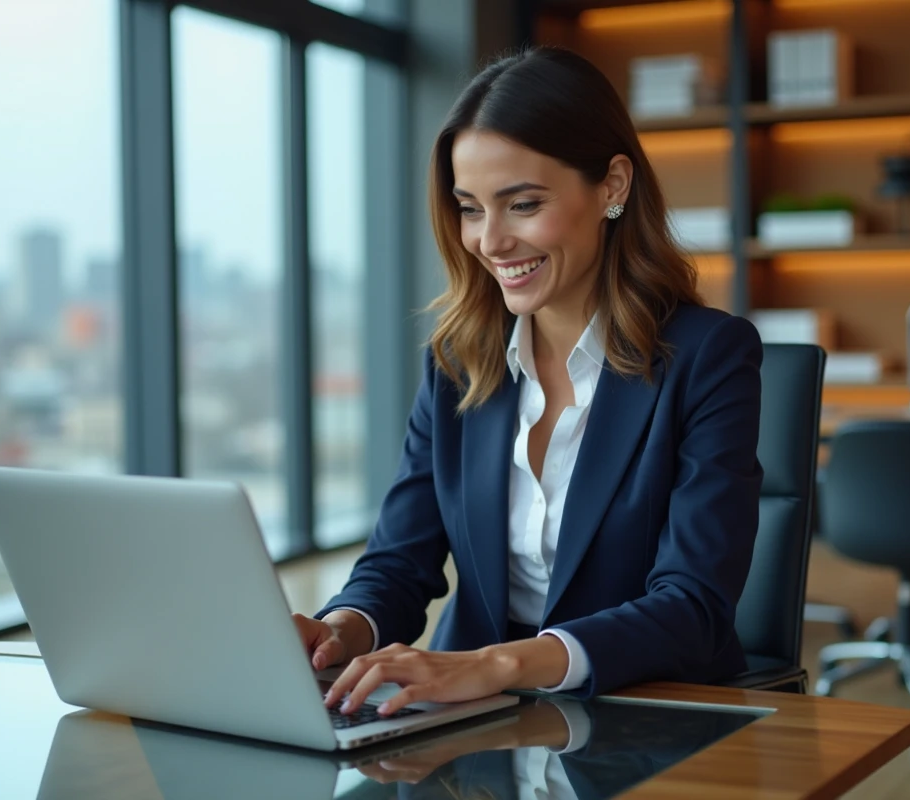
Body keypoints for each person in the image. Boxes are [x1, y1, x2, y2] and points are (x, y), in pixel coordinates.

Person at [292, 45, 763, 717]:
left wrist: (497, 665)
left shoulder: (708, 357)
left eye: (522, 204)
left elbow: (692, 607)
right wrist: (340, 629)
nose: (490, 241)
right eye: (470, 208)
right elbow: (399, 563)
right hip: (474, 715)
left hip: (646, 711)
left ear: (613, 186)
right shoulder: (458, 363)